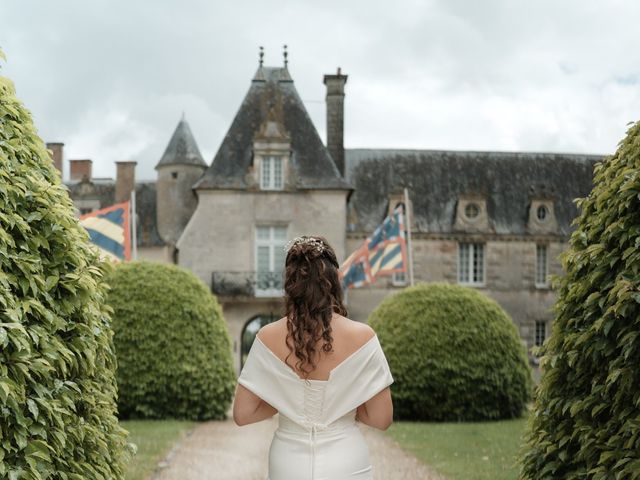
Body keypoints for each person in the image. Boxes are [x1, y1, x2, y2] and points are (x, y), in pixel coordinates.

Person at [233, 235, 394, 480]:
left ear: (291, 285)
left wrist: (286, 400)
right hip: (346, 459)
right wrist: (345, 404)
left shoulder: (267, 336)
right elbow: (381, 419)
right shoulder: (363, 336)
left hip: (288, 462)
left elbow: (243, 414)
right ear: (333, 283)